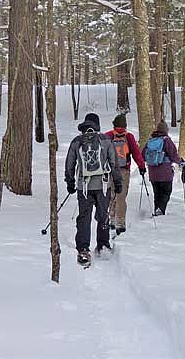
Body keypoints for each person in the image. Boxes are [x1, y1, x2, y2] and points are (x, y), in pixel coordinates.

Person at [65, 113, 123, 266]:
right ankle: (103, 245)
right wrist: (117, 181)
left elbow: (70, 163)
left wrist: (70, 181)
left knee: (84, 216)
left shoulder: (77, 141)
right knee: (103, 215)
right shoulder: (105, 140)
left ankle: (83, 248)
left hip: (83, 186)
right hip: (103, 186)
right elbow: (114, 163)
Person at [104, 114, 146, 235]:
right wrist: (141, 166)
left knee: (111, 195)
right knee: (121, 197)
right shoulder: (129, 137)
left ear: (114, 124)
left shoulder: (108, 135)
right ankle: (120, 223)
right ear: (125, 125)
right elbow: (136, 153)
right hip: (123, 171)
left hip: (110, 170)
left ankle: (112, 219)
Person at [142, 121, 182, 216]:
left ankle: (157, 210)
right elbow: (173, 156)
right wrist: (181, 162)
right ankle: (160, 210)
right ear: (166, 130)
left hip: (153, 173)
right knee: (166, 192)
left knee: (157, 193)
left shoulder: (150, 140)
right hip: (165, 173)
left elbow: (143, 155)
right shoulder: (167, 141)